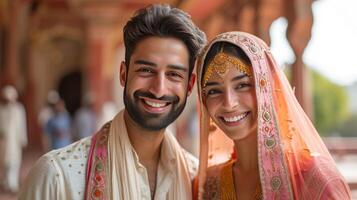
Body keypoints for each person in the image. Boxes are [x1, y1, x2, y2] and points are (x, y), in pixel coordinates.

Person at [19, 4, 206, 200]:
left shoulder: (196, 180)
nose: (159, 89)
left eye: (173, 75)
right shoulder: (58, 176)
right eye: (146, 70)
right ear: (123, 75)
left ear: (189, 86)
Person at [194, 32, 351, 200]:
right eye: (214, 91)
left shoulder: (316, 179)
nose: (229, 103)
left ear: (268, 87)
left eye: (242, 85)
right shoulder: (207, 184)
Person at [0, 85, 27, 193]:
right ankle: (6, 183)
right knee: (4, 162)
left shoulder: (19, 109)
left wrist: (23, 139)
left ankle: (13, 184)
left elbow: (22, 125)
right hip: (3, 141)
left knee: (14, 162)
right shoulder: (1, 109)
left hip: (14, 142)